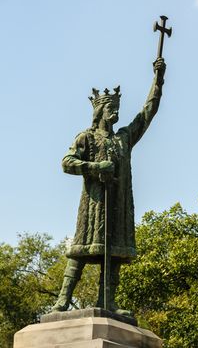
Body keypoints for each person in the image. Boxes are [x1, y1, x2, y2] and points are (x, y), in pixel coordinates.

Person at [52, 57, 166, 314]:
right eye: (110, 108)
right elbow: (67, 162)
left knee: (113, 253)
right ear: (99, 111)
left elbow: (147, 112)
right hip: (94, 205)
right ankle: (62, 300)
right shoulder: (87, 137)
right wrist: (94, 168)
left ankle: (107, 301)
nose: (115, 112)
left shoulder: (124, 138)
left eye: (117, 108)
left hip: (119, 204)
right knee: (81, 250)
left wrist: (157, 81)